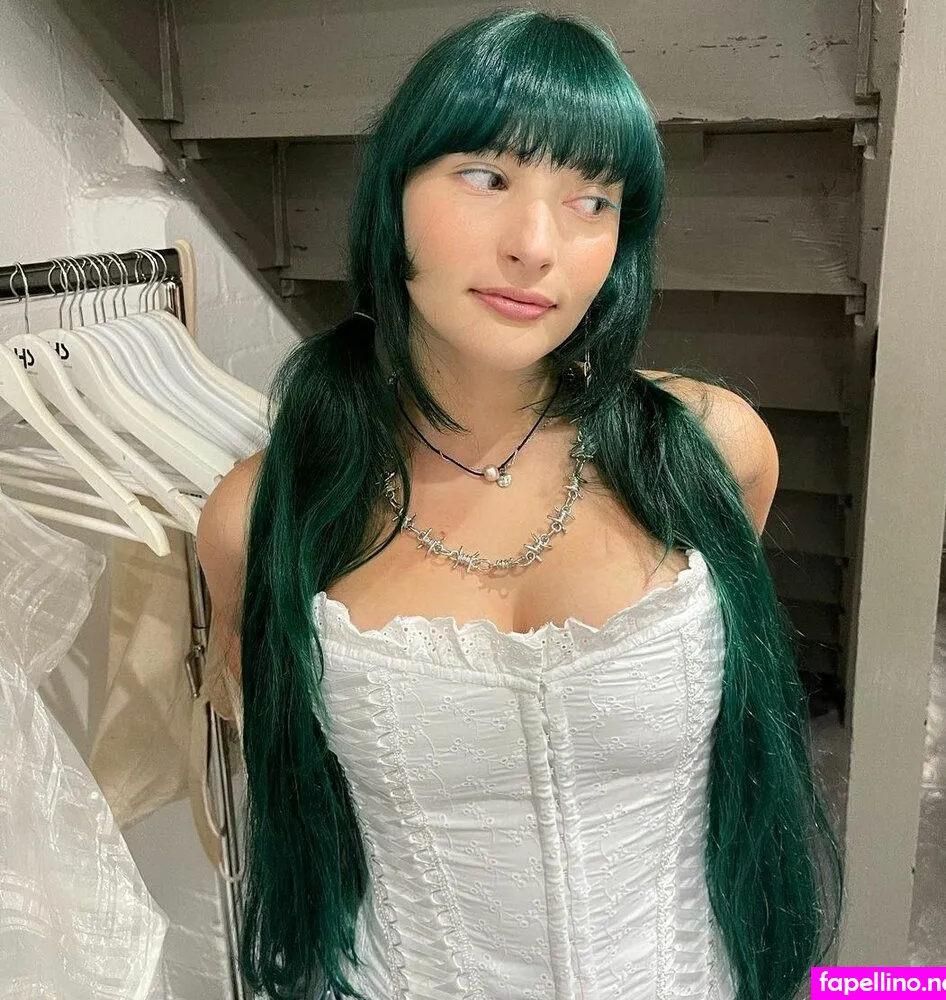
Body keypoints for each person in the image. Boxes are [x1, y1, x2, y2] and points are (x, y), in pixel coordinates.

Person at [196, 8, 844, 1000]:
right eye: (486, 177)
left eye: (593, 200)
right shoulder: (263, 518)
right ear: (392, 196)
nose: (537, 245)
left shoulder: (709, 452)